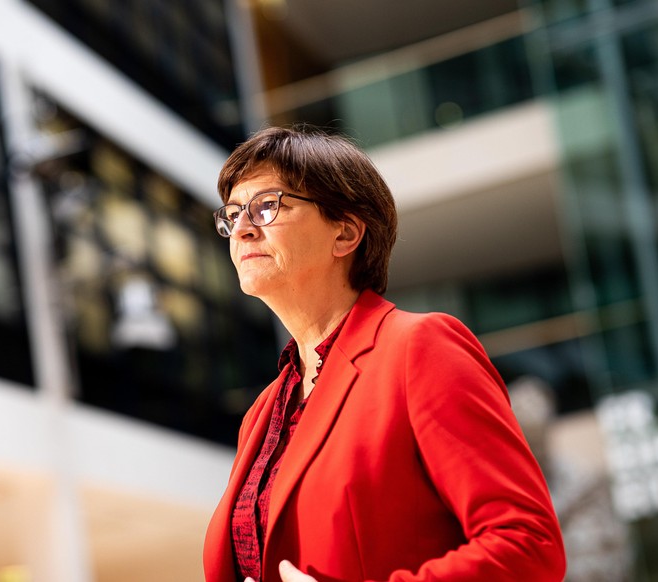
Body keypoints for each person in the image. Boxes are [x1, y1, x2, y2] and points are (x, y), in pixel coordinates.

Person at [203, 126, 566, 582]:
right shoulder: (261, 414)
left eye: (268, 206)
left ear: (346, 233)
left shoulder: (420, 348)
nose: (242, 228)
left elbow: (527, 543)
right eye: (233, 214)